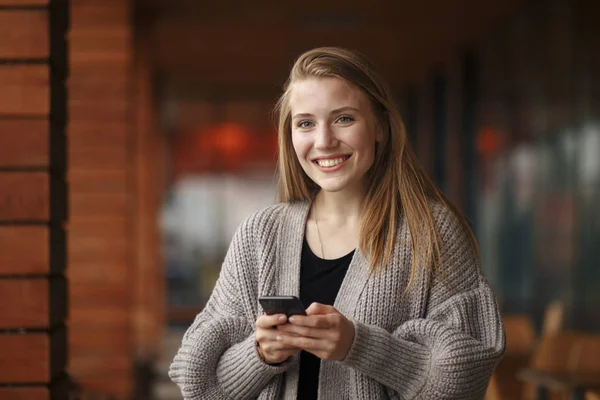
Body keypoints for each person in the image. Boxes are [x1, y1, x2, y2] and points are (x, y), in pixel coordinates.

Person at [169, 47, 505, 399]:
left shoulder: (431, 232)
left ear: (380, 127)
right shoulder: (260, 235)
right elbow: (199, 383)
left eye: (344, 119)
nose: (324, 141)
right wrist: (260, 354)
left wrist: (358, 346)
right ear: (290, 135)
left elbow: (465, 378)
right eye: (306, 123)